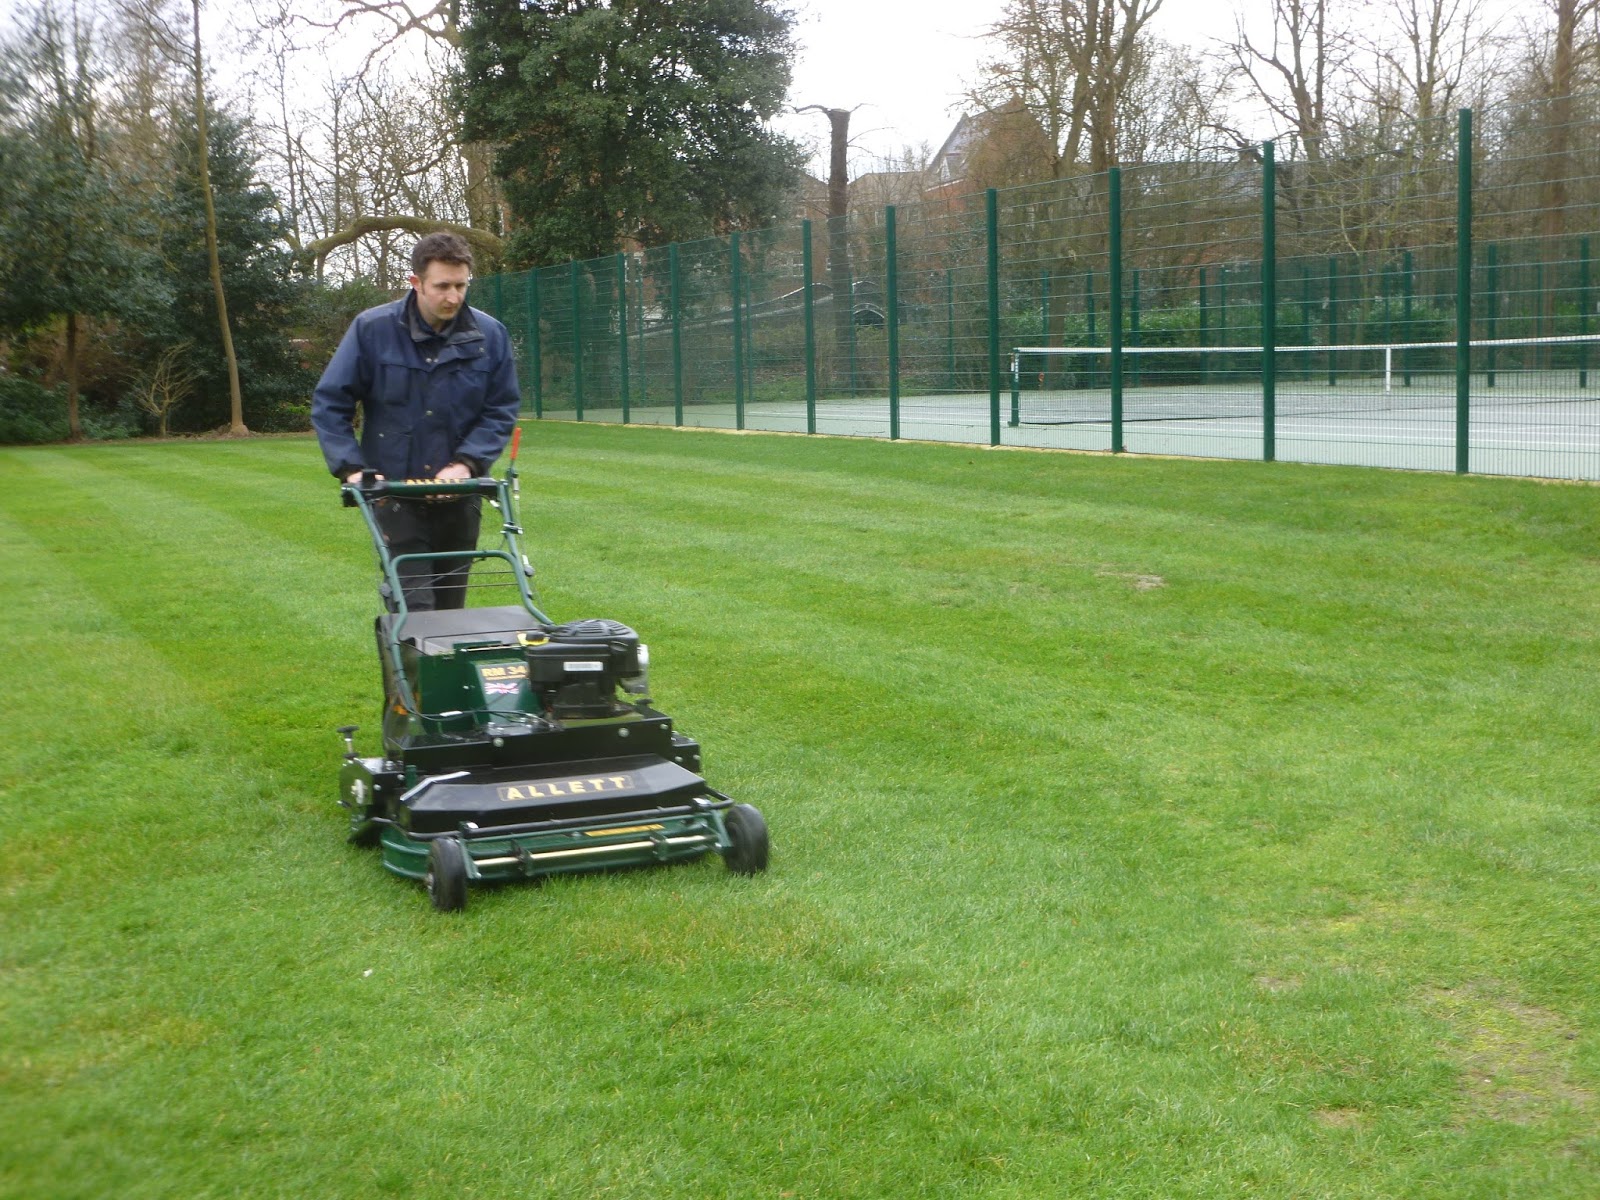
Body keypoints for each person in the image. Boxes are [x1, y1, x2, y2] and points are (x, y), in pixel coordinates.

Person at [312, 232, 521, 611]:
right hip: (394, 495)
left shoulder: (489, 336)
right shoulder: (372, 330)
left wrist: (466, 464)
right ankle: (410, 666)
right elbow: (330, 402)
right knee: (415, 612)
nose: (453, 297)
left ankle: (434, 670)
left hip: (459, 499)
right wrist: (352, 469)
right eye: (442, 286)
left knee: (450, 614)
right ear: (416, 283)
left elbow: (500, 408)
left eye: (461, 285)